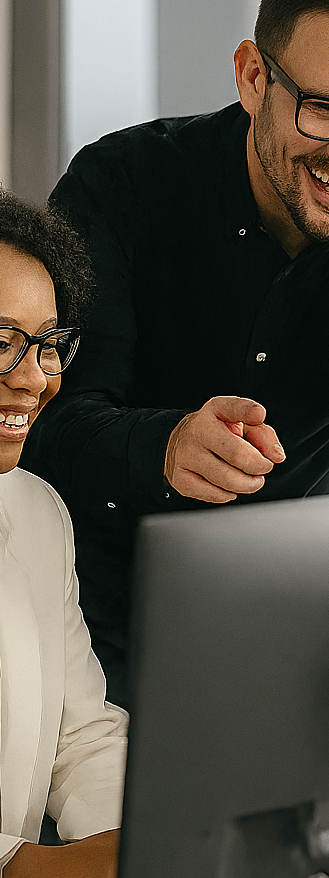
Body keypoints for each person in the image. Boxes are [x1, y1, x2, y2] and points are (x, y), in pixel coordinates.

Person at [21, 0, 329, 707]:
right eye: (327, 109)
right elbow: (44, 425)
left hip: (298, 627)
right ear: (252, 76)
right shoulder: (121, 187)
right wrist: (161, 446)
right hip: (80, 611)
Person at [0, 192, 126, 877]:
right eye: (0, 343)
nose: (33, 379)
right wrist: (29, 866)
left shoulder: (38, 514)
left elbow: (79, 736)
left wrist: (140, 835)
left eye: (48, 345)